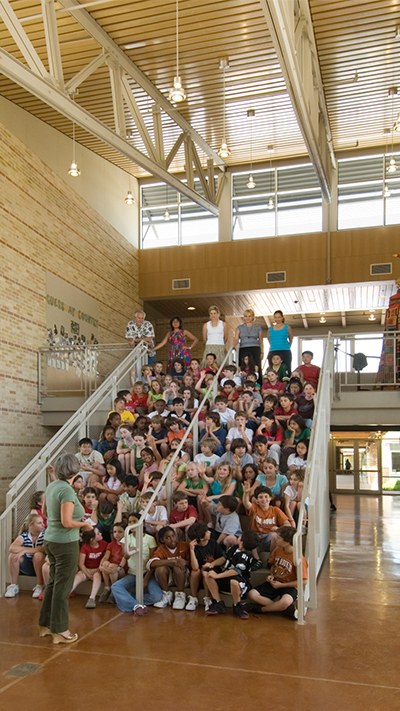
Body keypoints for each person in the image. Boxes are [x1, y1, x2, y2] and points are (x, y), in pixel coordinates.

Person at [38, 453, 93, 644]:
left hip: (50, 540)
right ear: (75, 469)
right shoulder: (68, 491)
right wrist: (84, 525)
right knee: (63, 586)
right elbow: (67, 522)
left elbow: (44, 512)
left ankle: (45, 624)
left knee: (53, 583)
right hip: (65, 543)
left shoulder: (53, 486)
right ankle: (60, 629)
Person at [246, 525, 308, 619]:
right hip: (275, 581)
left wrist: (281, 585)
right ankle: (285, 609)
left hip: (289, 586)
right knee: (252, 594)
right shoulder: (277, 550)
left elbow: (304, 581)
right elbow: (273, 565)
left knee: (285, 601)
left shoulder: (299, 558)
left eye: (279, 538)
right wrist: (271, 575)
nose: (276, 540)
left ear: (287, 542)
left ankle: (261, 610)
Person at [111, 512, 162, 615]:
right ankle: (136, 605)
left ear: (141, 523)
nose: (132, 524)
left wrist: (146, 578)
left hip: (146, 573)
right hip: (132, 574)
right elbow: (125, 557)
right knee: (115, 587)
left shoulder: (150, 539)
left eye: (134, 521)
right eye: (130, 522)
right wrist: (128, 550)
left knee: (156, 597)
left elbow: (152, 561)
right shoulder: (126, 538)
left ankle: (127, 598)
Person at [202, 530, 262, 619]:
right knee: (208, 574)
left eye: (240, 536)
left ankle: (237, 605)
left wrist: (218, 576)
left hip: (240, 581)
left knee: (234, 581)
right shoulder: (234, 548)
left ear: (242, 542)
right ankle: (218, 602)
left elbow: (236, 571)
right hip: (226, 578)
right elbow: (223, 558)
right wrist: (212, 564)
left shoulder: (246, 555)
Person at [5, 513, 46, 598]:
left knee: (38, 555)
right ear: (31, 525)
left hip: (41, 565)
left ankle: (39, 586)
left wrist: (25, 551)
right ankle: (13, 586)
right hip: (27, 566)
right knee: (13, 556)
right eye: (39, 523)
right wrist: (24, 551)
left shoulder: (46, 534)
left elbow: (45, 549)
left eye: (42, 522)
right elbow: (12, 548)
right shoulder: (24, 536)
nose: (43, 525)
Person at [150, 527, 190, 609]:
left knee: (178, 567)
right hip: (168, 578)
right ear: (162, 540)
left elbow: (193, 562)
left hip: (183, 576)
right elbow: (152, 563)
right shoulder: (161, 549)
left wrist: (185, 562)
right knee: (160, 568)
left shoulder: (184, 545)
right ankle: (167, 594)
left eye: (173, 536)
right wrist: (172, 561)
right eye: (168, 538)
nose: (172, 539)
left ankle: (180, 595)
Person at [242, 483, 290, 552]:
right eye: (261, 497)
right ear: (256, 499)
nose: (264, 499)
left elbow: (287, 524)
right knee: (247, 536)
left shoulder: (275, 510)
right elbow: (246, 503)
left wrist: (279, 529)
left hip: (269, 538)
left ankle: (271, 559)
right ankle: (256, 559)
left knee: (275, 535)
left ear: (270, 498)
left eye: (266, 496)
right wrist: (246, 493)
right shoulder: (254, 507)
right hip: (256, 537)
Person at [71, 527, 107, 608]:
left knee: (97, 575)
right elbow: (81, 564)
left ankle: (92, 598)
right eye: (98, 534)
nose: (100, 534)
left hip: (97, 569)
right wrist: (88, 575)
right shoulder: (85, 547)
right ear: (92, 539)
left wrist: (99, 567)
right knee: (77, 577)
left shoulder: (103, 544)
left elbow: (106, 558)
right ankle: (63, 596)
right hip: (86, 569)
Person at [232, 309, 263, 385]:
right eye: (246, 316)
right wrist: (232, 346)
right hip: (243, 348)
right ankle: (242, 383)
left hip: (255, 348)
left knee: (255, 366)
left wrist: (262, 351)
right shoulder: (240, 327)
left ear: (253, 317)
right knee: (243, 365)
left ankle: (257, 384)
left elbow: (261, 340)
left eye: (249, 316)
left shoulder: (258, 327)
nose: (248, 318)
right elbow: (236, 338)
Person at [99, 522, 127, 603]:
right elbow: (105, 557)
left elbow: (125, 558)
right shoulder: (111, 544)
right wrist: (101, 565)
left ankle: (114, 589)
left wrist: (118, 567)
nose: (117, 534)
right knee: (106, 564)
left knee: (112, 566)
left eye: (120, 532)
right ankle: (107, 588)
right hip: (111, 569)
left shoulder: (126, 544)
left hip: (121, 569)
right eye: (115, 532)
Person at [267, 310, 293, 374]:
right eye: (275, 317)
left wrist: (287, 345)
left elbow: (291, 338)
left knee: (286, 369)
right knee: (272, 369)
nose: (277, 319)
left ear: (282, 317)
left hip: (285, 350)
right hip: (273, 350)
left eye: (279, 317)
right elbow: (269, 339)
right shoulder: (270, 328)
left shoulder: (287, 327)